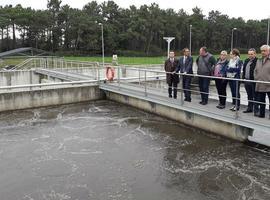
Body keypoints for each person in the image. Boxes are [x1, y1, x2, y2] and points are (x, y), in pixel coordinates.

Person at [254, 45, 270, 118]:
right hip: (260, 84)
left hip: (269, 84)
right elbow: (255, 71)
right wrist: (256, 78)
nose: (262, 52)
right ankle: (262, 114)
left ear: (268, 51)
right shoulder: (259, 60)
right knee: (261, 101)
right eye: (262, 51)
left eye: (264, 50)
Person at [242, 48, 258, 113]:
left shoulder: (258, 61)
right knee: (249, 95)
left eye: (251, 54)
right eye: (249, 54)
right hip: (246, 81)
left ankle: (256, 110)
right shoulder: (246, 60)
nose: (250, 55)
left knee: (255, 96)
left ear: (255, 54)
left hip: (254, 82)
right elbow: (244, 70)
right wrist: (243, 79)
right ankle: (250, 108)